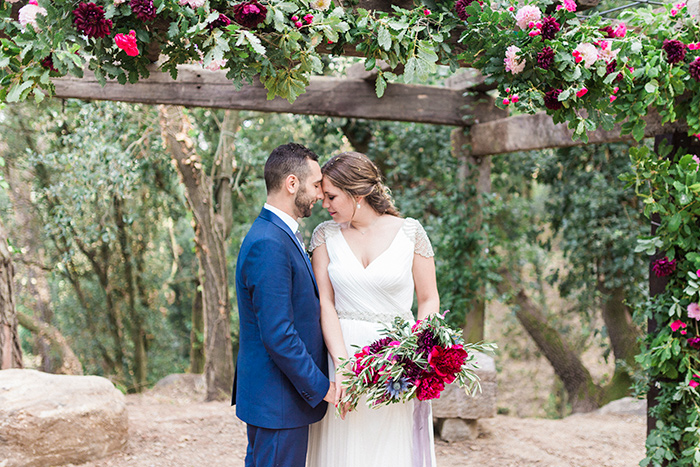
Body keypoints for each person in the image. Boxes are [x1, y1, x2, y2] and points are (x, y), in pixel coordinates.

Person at [306, 151, 440, 467]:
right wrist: (343, 366)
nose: (325, 204)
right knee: (345, 447)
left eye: (332, 196)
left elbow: (429, 298)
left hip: (396, 359)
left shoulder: (410, 232)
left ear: (360, 193)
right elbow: (325, 302)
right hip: (343, 352)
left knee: (391, 447)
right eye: (323, 196)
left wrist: (416, 352)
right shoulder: (324, 235)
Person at [232, 143, 335, 467]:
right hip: (278, 401)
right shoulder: (269, 242)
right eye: (316, 184)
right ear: (292, 184)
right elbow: (278, 334)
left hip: (279, 401)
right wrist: (321, 387)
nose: (321, 193)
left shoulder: (278, 234)